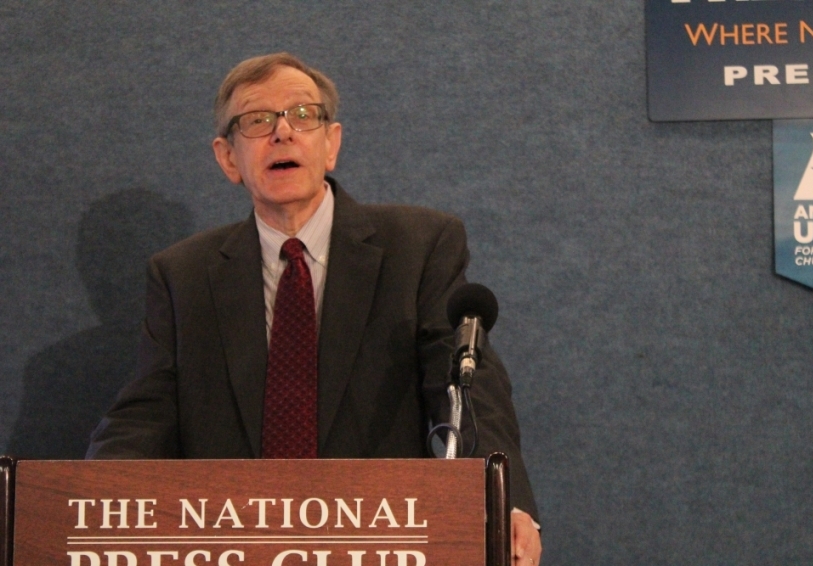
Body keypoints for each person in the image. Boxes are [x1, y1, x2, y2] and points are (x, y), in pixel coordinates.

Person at [87, 52, 542, 564]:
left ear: (332, 144)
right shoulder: (183, 276)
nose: (283, 132)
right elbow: (145, 415)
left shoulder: (418, 246)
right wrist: (92, 503)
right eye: (257, 121)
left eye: (303, 115)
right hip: (233, 544)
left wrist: (506, 501)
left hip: (378, 541)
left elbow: (466, 385)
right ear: (228, 157)